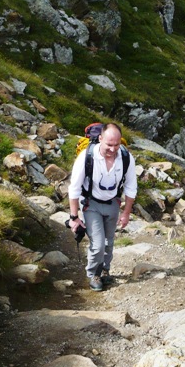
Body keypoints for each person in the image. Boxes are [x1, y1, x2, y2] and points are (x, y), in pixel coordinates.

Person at [67, 123, 138, 291]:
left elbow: (131, 187)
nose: (113, 149)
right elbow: (74, 188)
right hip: (91, 204)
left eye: (117, 145)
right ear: (100, 139)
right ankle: (93, 274)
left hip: (113, 203)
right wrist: (74, 217)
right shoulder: (86, 157)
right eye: (109, 145)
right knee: (98, 244)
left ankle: (105, 270)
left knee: (109, 242)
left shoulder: (126, 158)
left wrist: (126, 213)